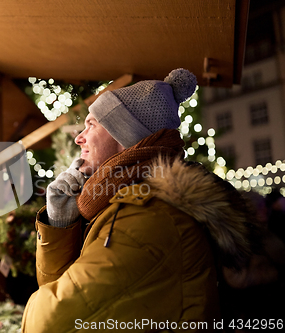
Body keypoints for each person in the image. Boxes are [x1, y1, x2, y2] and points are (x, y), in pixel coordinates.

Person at [21, 69, 257, 332]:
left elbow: (48, 322)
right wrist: (60, 224)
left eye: (91, 124)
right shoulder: (121, 203)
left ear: (124, 136)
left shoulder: (149, 216)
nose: (79, 137)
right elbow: (64, 294)